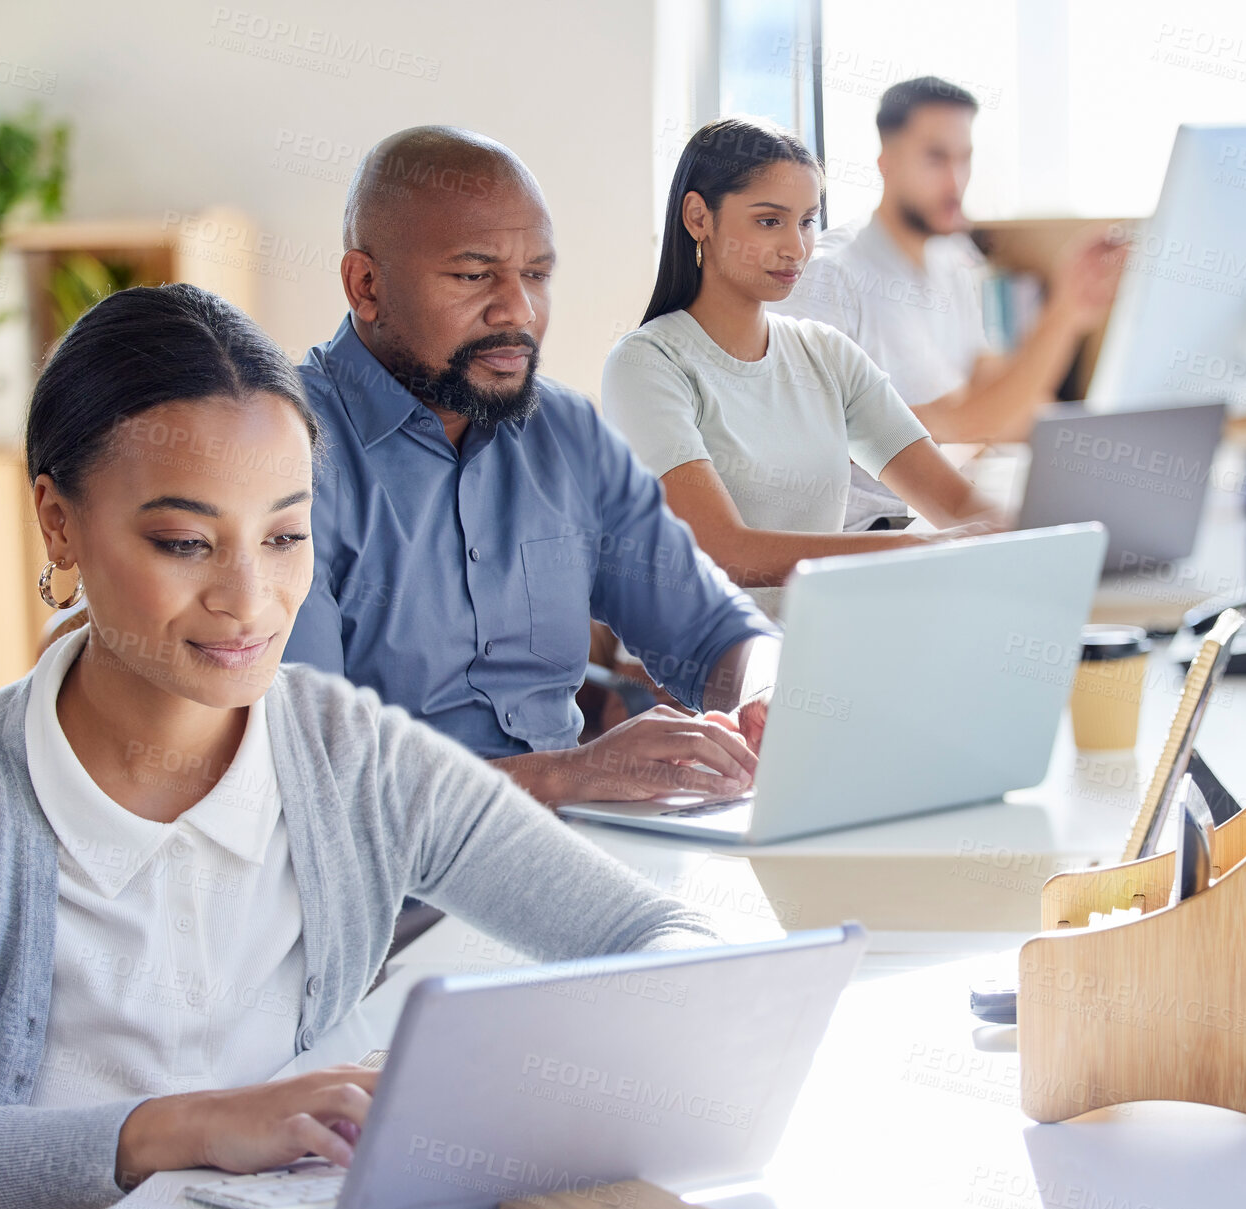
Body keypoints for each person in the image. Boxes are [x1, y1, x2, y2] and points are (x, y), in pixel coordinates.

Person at [0, 284, 719, 1209]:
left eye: (285, 536)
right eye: (183, 543)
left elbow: (667, 947)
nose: (249, 600)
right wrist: (200, 1127)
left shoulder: (352, 754)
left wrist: (470, 1089)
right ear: (58, 524)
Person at [281, 126, 779, 805]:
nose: (517, 310)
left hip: (572, 850)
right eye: (473, 275)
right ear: (365, 285)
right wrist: (566, 775)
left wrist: (763, 690)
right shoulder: (277, 451)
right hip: (392, 889)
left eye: (536, 276)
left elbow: (710, 629)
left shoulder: (566, 432)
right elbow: (305, 771)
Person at [601, 117, 999, 616]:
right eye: (770, 221)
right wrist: (907, 552)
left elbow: (958, 504)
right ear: (698, 217)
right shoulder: (647, 364)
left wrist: (1040, 536)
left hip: (814, 651)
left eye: (808, 221)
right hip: (692, 678)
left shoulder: (828, 355)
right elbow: (722, 549)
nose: (796, 247)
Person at [771, 76, 1125, 526]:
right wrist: (1063, 315)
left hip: (942, 512)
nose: (956, 180)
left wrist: (1102, 447)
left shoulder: (953, 260)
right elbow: (960, 423)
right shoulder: (828, 275)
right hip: (870, 533)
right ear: (887, 161)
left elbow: (993, 390)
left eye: (965, 159)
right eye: (936, 158)